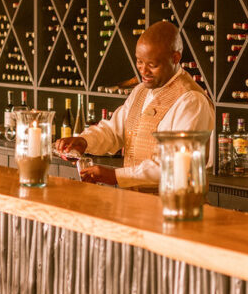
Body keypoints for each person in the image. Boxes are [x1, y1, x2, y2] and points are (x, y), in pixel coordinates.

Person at [55, 21, 214, 188]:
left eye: (152, 65)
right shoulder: (140, 91)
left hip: (174, 206)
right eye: (139, 62)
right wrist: (84, 141)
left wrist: (115, 176)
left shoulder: (192, 101)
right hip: (135, 203)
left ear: (175, 58)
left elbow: (177, 165)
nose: (143, 71)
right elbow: (113, 131)